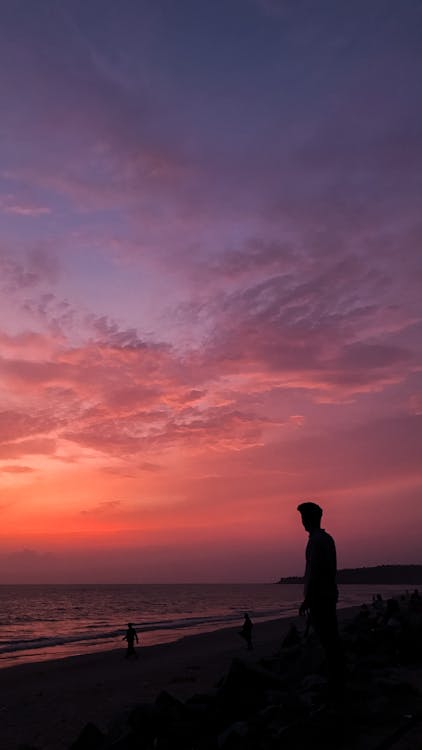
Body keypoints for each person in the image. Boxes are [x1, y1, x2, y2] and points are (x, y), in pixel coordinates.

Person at [297, 501, 342, 689]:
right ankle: (336, 675)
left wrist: (308, 600)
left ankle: (336, 678)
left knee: (327, 637)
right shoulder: (325, 539)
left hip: (321, 597)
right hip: (326, 594)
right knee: (329, 636)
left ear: (309, 519)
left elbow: (316, 571)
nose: (302, 521)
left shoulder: (317, 541)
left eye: (303, 517)